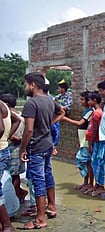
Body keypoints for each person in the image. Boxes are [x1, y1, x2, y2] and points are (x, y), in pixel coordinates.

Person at [19, 72, 64, 230]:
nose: (25, 88)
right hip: (47, 144)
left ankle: (40, 218)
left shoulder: (31, 103)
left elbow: (29, 130)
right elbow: (62, 112)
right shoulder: (50, 100)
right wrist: (48, 124)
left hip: (36, 146)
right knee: (48, 175)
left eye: (26, 84)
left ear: (33, 85)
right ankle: (51, 206)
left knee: (38, 180)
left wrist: (22, 149)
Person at [62, 91, 94, 193]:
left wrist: (64, 118)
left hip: (86, 140)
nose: (81, 101)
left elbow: (80, 123)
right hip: (82, 140)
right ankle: (85, 182)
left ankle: (90, 183)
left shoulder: (90, 111)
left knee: (86, 162)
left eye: (82, 99)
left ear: (88, 101)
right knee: (84, 162)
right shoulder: (86, 111)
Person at [0, 93, 28, 204]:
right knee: (12, 174)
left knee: (13, 174)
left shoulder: (13, 116)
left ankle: (16, 196)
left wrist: (10, 136)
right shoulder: (19, 115)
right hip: (13, 147)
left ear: (6, 104)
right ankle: (18, 193)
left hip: (14, 148)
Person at [86, 91, 105, 197]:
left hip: (97, 141)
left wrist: (91, 143)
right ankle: (97, 185)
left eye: (89, 100)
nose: (88, 102)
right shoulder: (96, 112)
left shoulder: (97, 113)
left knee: (98, 163)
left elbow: (95, 130)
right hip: (96, 141)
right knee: (95, 163)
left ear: (94, 100)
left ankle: (100, 186)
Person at [0, 98, 15, 232]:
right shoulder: (3, 105)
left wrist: (6, 135)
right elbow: (17, 119)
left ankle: (7, 225)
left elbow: (0, 129)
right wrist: (8, 136)